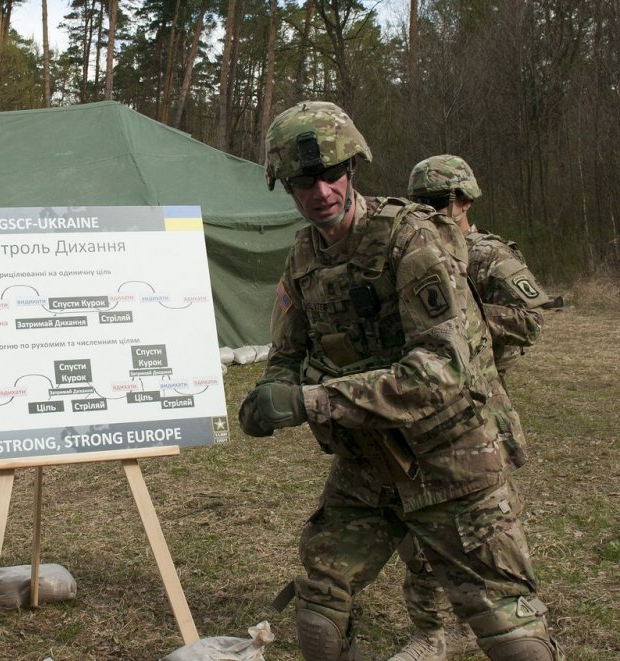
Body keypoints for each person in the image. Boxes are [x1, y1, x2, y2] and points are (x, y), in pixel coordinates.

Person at [237, 101, 563, 661]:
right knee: (319, 613)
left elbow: (441, 373)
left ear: (352, 169)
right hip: (369, 462)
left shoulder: (411, 240)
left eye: (331, 174)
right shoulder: (304, 258)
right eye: (303, 182)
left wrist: (311, 400)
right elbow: (288, 352)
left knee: (513, 636)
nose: (321, 192)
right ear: (286, 186)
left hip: (451, 455)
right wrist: (268, 396)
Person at [386, 155, 554, 661]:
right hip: (421, 408)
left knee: (486, 532)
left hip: (477, 409)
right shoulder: (406, 250)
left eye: (439, 202)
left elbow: (531, 318)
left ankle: (501, 625)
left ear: (465, 200)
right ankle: (429, 630)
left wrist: (468, 319)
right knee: (418, 522)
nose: (431, 212)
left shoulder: (488, 255)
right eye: (420, 203)